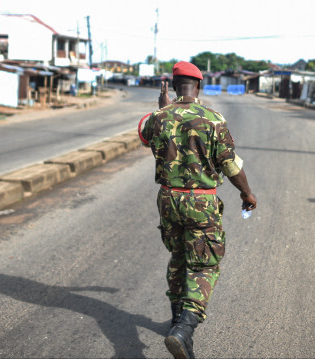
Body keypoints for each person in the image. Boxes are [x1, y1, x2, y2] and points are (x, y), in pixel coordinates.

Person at [138, 61, 257, 359]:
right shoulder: (213, 119)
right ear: (199, 86)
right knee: (204, 264)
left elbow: (144, 136)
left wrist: (162, 109)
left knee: (178, 256)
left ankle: (177, 320)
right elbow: (230, 166)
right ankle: (185, 328)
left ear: (174, 86)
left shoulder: (159, 117)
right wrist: (247, 193)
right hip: (200, 203)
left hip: (168, 199)